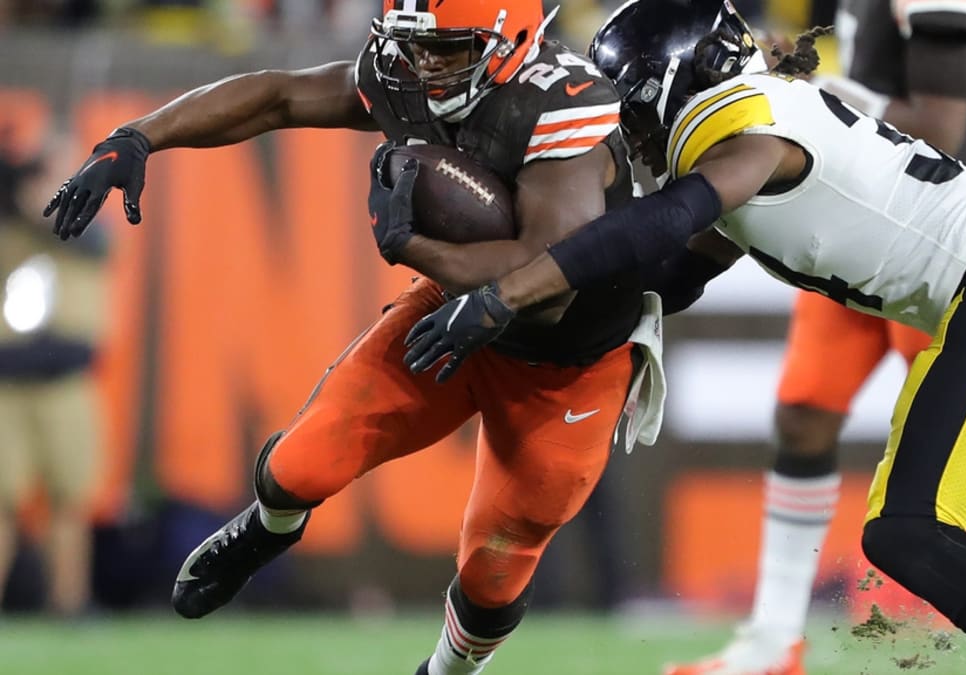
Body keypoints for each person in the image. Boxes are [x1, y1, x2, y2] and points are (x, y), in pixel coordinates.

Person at [401, 1, 966, 672]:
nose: (630, 140)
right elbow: (671, 271)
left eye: (635, 113)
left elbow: (667, 220)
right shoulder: (764, 131)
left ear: (679, 83)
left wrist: (509, 292)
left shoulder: (753, 128)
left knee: (909, 529)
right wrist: (540, 320)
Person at [45, 2, 666, 673]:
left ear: (509, 41)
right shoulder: (411, 68)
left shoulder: (560, 106)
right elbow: (280, 96)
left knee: (495, 566)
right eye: (415, 47)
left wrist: (415, 246)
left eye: (448, 50)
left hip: (568, 360)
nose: (425, 66)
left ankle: (446, 670)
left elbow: (547, 281)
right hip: (450, 309)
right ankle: (267, 527)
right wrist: (139, 135)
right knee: (296, 467)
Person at [664, 0, 966, 672]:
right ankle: (772, 640)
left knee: (965, 435)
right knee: (803, 414)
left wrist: (803, 93)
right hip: (851, 224)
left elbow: (940, 122)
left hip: (936, 242)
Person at [0, 127, 106, 617]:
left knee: (70, 499)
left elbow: (92, 246)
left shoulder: (84, 223)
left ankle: (70, 603)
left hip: (65, 381)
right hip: (7, 384)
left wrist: (41, 210)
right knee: (2, 501)